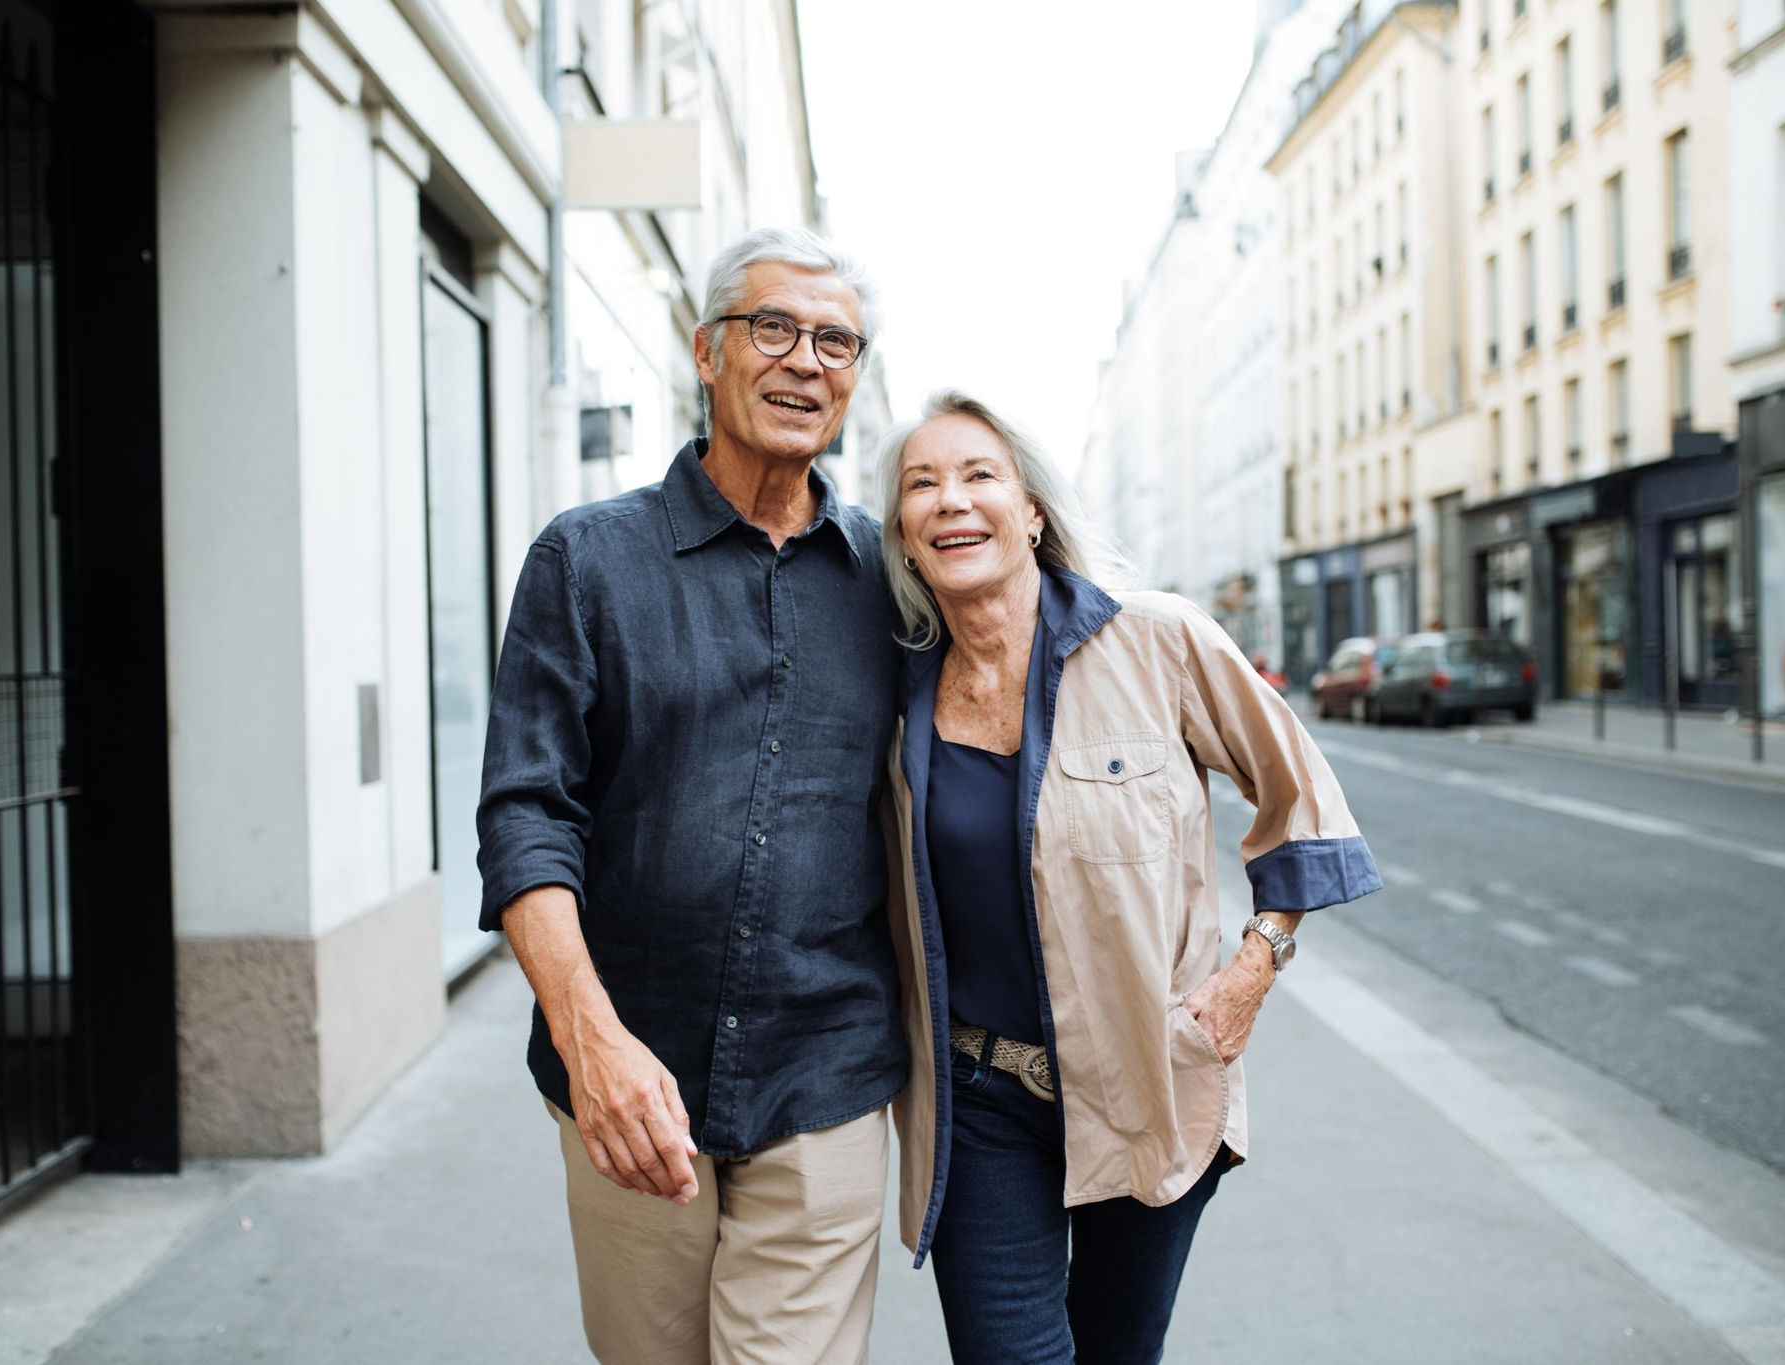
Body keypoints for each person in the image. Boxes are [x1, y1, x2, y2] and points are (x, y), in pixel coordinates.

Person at [876, 391, 1381, 1363]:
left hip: (1148, 1074)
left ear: (1032, 510)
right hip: (979, 1099)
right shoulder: (894, 688)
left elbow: (1302, 801)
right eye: (921, 484)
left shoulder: (1155, 639)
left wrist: (1252, 968)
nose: (951, 500)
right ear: (902, 533)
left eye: (979, 475)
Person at [476, 227, 905, 1365]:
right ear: (706, 350)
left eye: (836, 342)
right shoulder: (585, 560)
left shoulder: (892, 581)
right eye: (774, 328)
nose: (805, 360)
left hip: (826, 1072)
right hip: (629, 1073)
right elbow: (525, 816)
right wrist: (590, 1041)